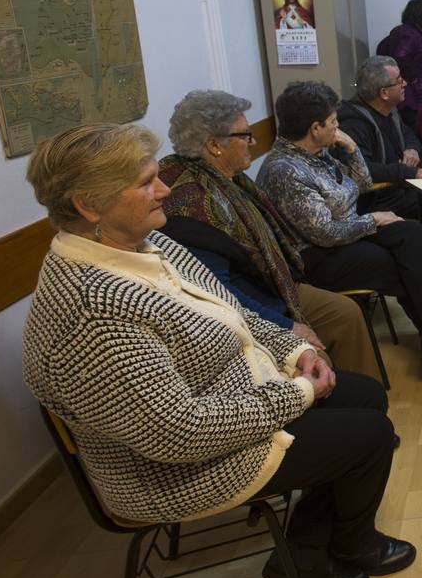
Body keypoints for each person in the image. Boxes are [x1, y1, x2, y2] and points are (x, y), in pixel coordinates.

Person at [22, 123, 414, 578]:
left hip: (232, 397)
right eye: (147, 182)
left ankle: (306, 548)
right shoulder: (94, 309)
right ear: (89, 204)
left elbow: (235, 313)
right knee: (367, 437)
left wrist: (297, 352)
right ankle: (339, 548)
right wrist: (297, 392)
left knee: (365, 395)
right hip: (172, 470)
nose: (165, 189)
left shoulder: (149, 244)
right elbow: (178, 433)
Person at [257, 81, 422, 373]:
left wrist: (351, 150)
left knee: (411, 232)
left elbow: (361, 185)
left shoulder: (317, 153)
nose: (338, 127)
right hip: (314, 255)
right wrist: (374, 219)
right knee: (401, 264)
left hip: (345, 234)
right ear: (315, 128)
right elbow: (324, 234)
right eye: (333, 122)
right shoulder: (285, 170)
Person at [157, 90, 382, 382]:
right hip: (252, 303)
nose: (253, 142)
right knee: (320, 353)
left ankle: (366, 398)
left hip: (273, 282)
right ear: (214, 145)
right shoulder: (192, 205)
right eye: (245, 135)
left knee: (346, 312)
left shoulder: (227, 178)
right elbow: (219, 294)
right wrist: (286, 324)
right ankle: (349, 400)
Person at [337, 56, 422, 292]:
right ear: (383, 92)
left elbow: (410, 134)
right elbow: (364, 168)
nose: (405, 84)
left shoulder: (390, 110)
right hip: (373, 198)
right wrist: (410, 171)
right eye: (399, 81)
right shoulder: (353, 122)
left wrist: (412, 149)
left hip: (398, 185)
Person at [375, 0, 422, 127]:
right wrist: (413, 78)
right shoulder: (411, 35)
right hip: (412, 99)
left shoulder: (400, 34)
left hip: (408, 97)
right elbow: (401, 56)